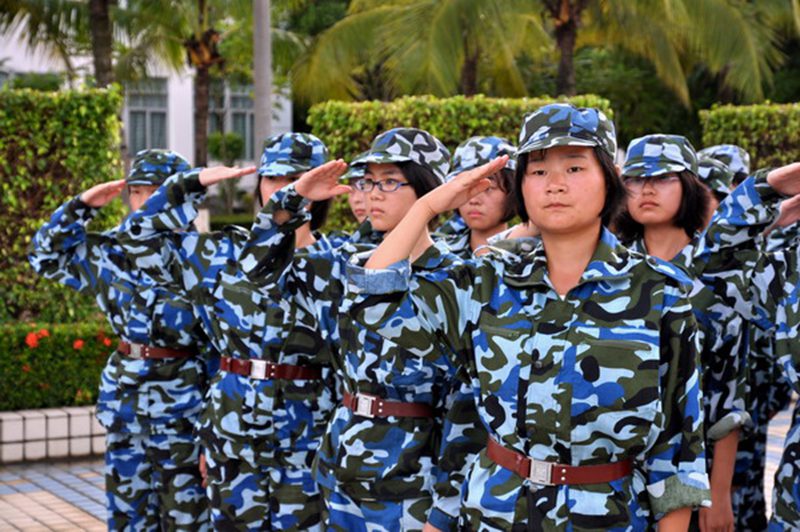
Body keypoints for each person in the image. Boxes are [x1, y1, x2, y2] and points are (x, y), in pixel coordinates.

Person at [343, 104, 710, 529]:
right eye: (537, 171)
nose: (555, 184)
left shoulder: (658, 294)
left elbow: (677, 450)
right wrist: (427, 207)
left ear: (610, 180)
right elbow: (374, 298)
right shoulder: (487, 283)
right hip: (496, 512)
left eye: (574, 168)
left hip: (606, 516)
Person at [232, 127, 488, 531]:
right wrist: (294, 196)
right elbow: (256, 269)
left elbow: (470, 404)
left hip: (413, 482)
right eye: (367, 181)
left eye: (390, 181)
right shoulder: (345, 266)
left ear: (430, 190)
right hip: (341, 469)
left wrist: (445, 509)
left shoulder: (457, 280)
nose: (373, 194)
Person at [116, 134, 345, 531]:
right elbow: (136, 237)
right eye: (273, 178)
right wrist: (190, 182)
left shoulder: (339, 262)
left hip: (307, 435)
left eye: (296, 179)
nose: (283, 189)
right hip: (232, 431)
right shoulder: (221, 254)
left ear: (322, 187)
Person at [29, 149, 212, 531]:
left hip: (185, 412)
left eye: (156, 192)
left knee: (189, 521)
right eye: (137, 192)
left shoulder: (206, 257)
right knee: (127, 519)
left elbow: (222, 348)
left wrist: (214, 435)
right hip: (126, 406)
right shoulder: (111, 251)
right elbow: (43, 255)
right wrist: (81, 206)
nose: (144, 202)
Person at [615, 135, 755, 532]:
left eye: (663, 178)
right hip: (611, 469)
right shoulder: (606, 268)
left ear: (690, 187)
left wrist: (720, 491)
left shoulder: (718, 274)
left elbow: (728, 392)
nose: (646, 189)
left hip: (687, 471)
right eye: (635, 178)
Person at [435, 136, 517, 257]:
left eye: (487, 188)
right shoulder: (437, 253)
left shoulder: (532, 255)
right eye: (466, 187)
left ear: (512, 190)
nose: (473, 200)